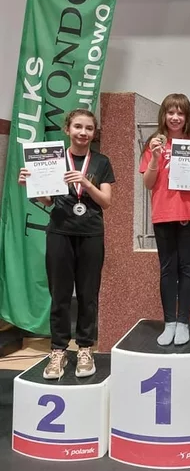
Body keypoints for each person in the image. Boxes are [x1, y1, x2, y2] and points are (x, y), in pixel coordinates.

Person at [18, 109, 115, 379]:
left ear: (94, 133)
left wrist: (86, 183)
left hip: (91, 234)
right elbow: (48, 200)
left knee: (88, 295)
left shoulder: (101, 162)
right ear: (67, 129)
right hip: (59, 232)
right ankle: (58, 350)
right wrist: (31, 184)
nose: (83, 132)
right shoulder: (53, 159)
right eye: (78, 127)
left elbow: (106, 201)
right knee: (60, 295)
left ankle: (85, 348)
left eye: (89, 128)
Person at [139, 93, 190, 346]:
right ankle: (169, 322)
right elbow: (148, 183)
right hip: (163, 214)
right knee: (167, 269)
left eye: (180, 113)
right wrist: (155, 157)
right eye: (170, 112)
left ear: (187, 117)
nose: (175, 117)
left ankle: (183, 322)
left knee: (187, 268)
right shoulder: (154, 143)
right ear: (163, 115)